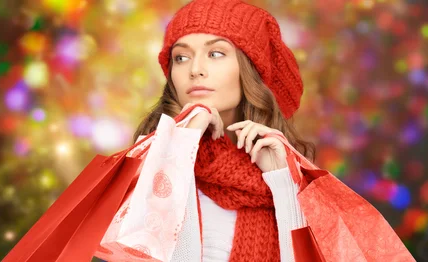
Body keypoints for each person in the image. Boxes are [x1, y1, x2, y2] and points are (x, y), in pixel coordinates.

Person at [132, 0, 316, 261]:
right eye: (181, 57)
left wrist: (283, 182)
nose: (195, 70)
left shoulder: (289, 174)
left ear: (249, 69)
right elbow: (147, 254)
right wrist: (182, 145)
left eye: (215, 53)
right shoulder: (145, 164)